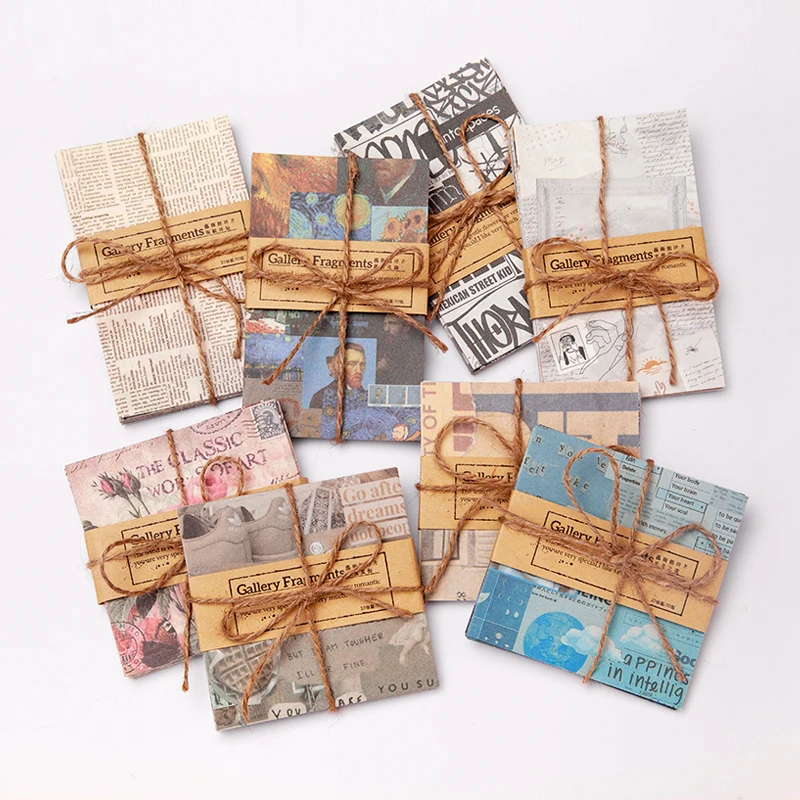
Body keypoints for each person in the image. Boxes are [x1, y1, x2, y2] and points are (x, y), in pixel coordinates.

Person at [309, 342, 368, 409]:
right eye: (351, 364)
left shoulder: (368, 397)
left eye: (362, 364)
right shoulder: (320, 397)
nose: (359, 370)